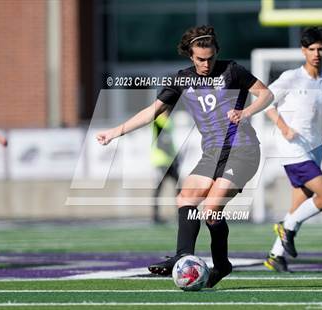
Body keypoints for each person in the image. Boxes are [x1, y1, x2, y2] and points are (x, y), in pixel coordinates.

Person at [97, 25, 272, 287]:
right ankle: (183, 255)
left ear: (217, 53)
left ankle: (221, 264)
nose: (206, 63)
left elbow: (266, 94)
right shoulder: (182, 79)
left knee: (211, 211)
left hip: (242, 151)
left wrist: (247, 113)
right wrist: (115, 131)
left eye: (211, 57)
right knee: (185, 197)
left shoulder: (232, 70)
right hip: (212, 153)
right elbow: (153, 111)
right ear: (190, 56)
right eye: (201, 59)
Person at [264, 26, 322, 272]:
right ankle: (286, 227)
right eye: (312, 49)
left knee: (299, 203)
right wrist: (284, 127)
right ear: (303, 51)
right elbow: (266, 102)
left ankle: (276, 255)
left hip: (315, 148)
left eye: (321, 49)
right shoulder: (291, 77)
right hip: (292, 147)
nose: (316, 54)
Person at [150, 107, 180, 223]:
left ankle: (180, 212)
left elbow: (169, 141)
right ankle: (155, 215)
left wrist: (175, 156)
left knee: (178, 187)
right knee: (159, 188)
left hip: (170, 161)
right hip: (161, 160)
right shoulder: (157, 121)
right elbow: (161, 141)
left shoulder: (169, 121)